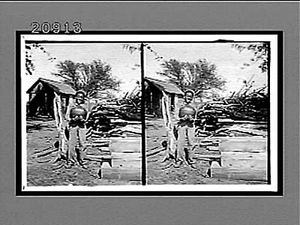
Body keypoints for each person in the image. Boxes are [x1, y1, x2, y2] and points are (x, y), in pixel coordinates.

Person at [65, 90, 90, 169]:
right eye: (78, 97)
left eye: (81, 98)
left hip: (82, 126)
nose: (79, 99)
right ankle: (70, 161)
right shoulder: (71, 105)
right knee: (72, 144)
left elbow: (88, 115)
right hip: (73, 125)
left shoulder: (86, 105)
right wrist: (72, 119)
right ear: (75, 98)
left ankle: (83, 161)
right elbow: (66, 116)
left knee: (83, 143)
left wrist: (85, 120)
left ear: (83, 98)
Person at [174, 90, 197, 168]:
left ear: (192, 98)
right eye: (188, 96)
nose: (189, 98)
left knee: (191, 143)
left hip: (191, 125)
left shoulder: (194, 106)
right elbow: (175, 116)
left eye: (190, 97)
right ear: (185, 96)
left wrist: (192, 119)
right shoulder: (179, 105)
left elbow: (196, 117)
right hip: (182, 125)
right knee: (180, 143)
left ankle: (191, 160)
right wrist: (181, 119)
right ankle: (179, 160)